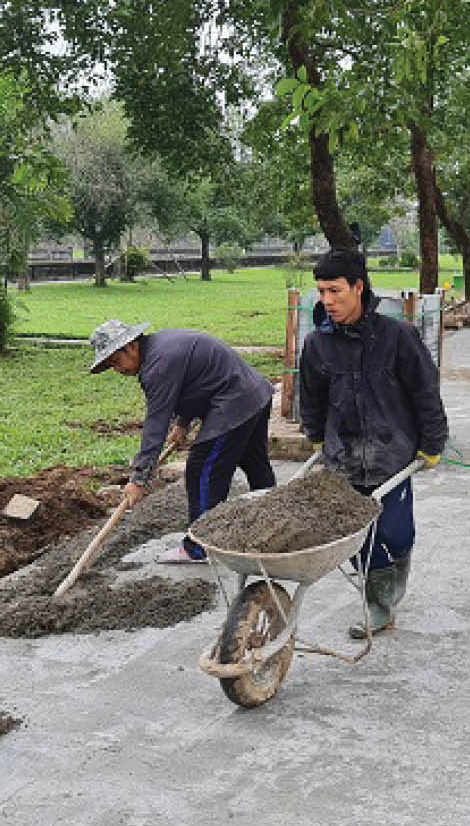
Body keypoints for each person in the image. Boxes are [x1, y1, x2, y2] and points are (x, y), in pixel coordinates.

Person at [299, 249, 448, 638]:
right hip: (343, 458)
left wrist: (433, 442)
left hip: (391, 456)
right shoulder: (317, 344)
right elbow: (310, 396)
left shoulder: (398, 337)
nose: (327, 301)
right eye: (321, 292)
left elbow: (425, 392)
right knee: (357, 537)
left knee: (395, 534)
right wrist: (316, 438)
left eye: (335, 291)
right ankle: (379, 606)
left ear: (359, 287)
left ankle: (389, 588)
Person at [88, 319, 275, 563]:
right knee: (254, 463)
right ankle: (275, 522)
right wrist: (182, 424)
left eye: (115, 361)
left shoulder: (157, 366)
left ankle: (200, 547)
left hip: (235, 403)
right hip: (255, 393)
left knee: (202, 469)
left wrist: (139, 478)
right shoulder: (161, 347)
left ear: (131, 346)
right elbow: (194, 382)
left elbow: (155, 424)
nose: (117, 369)